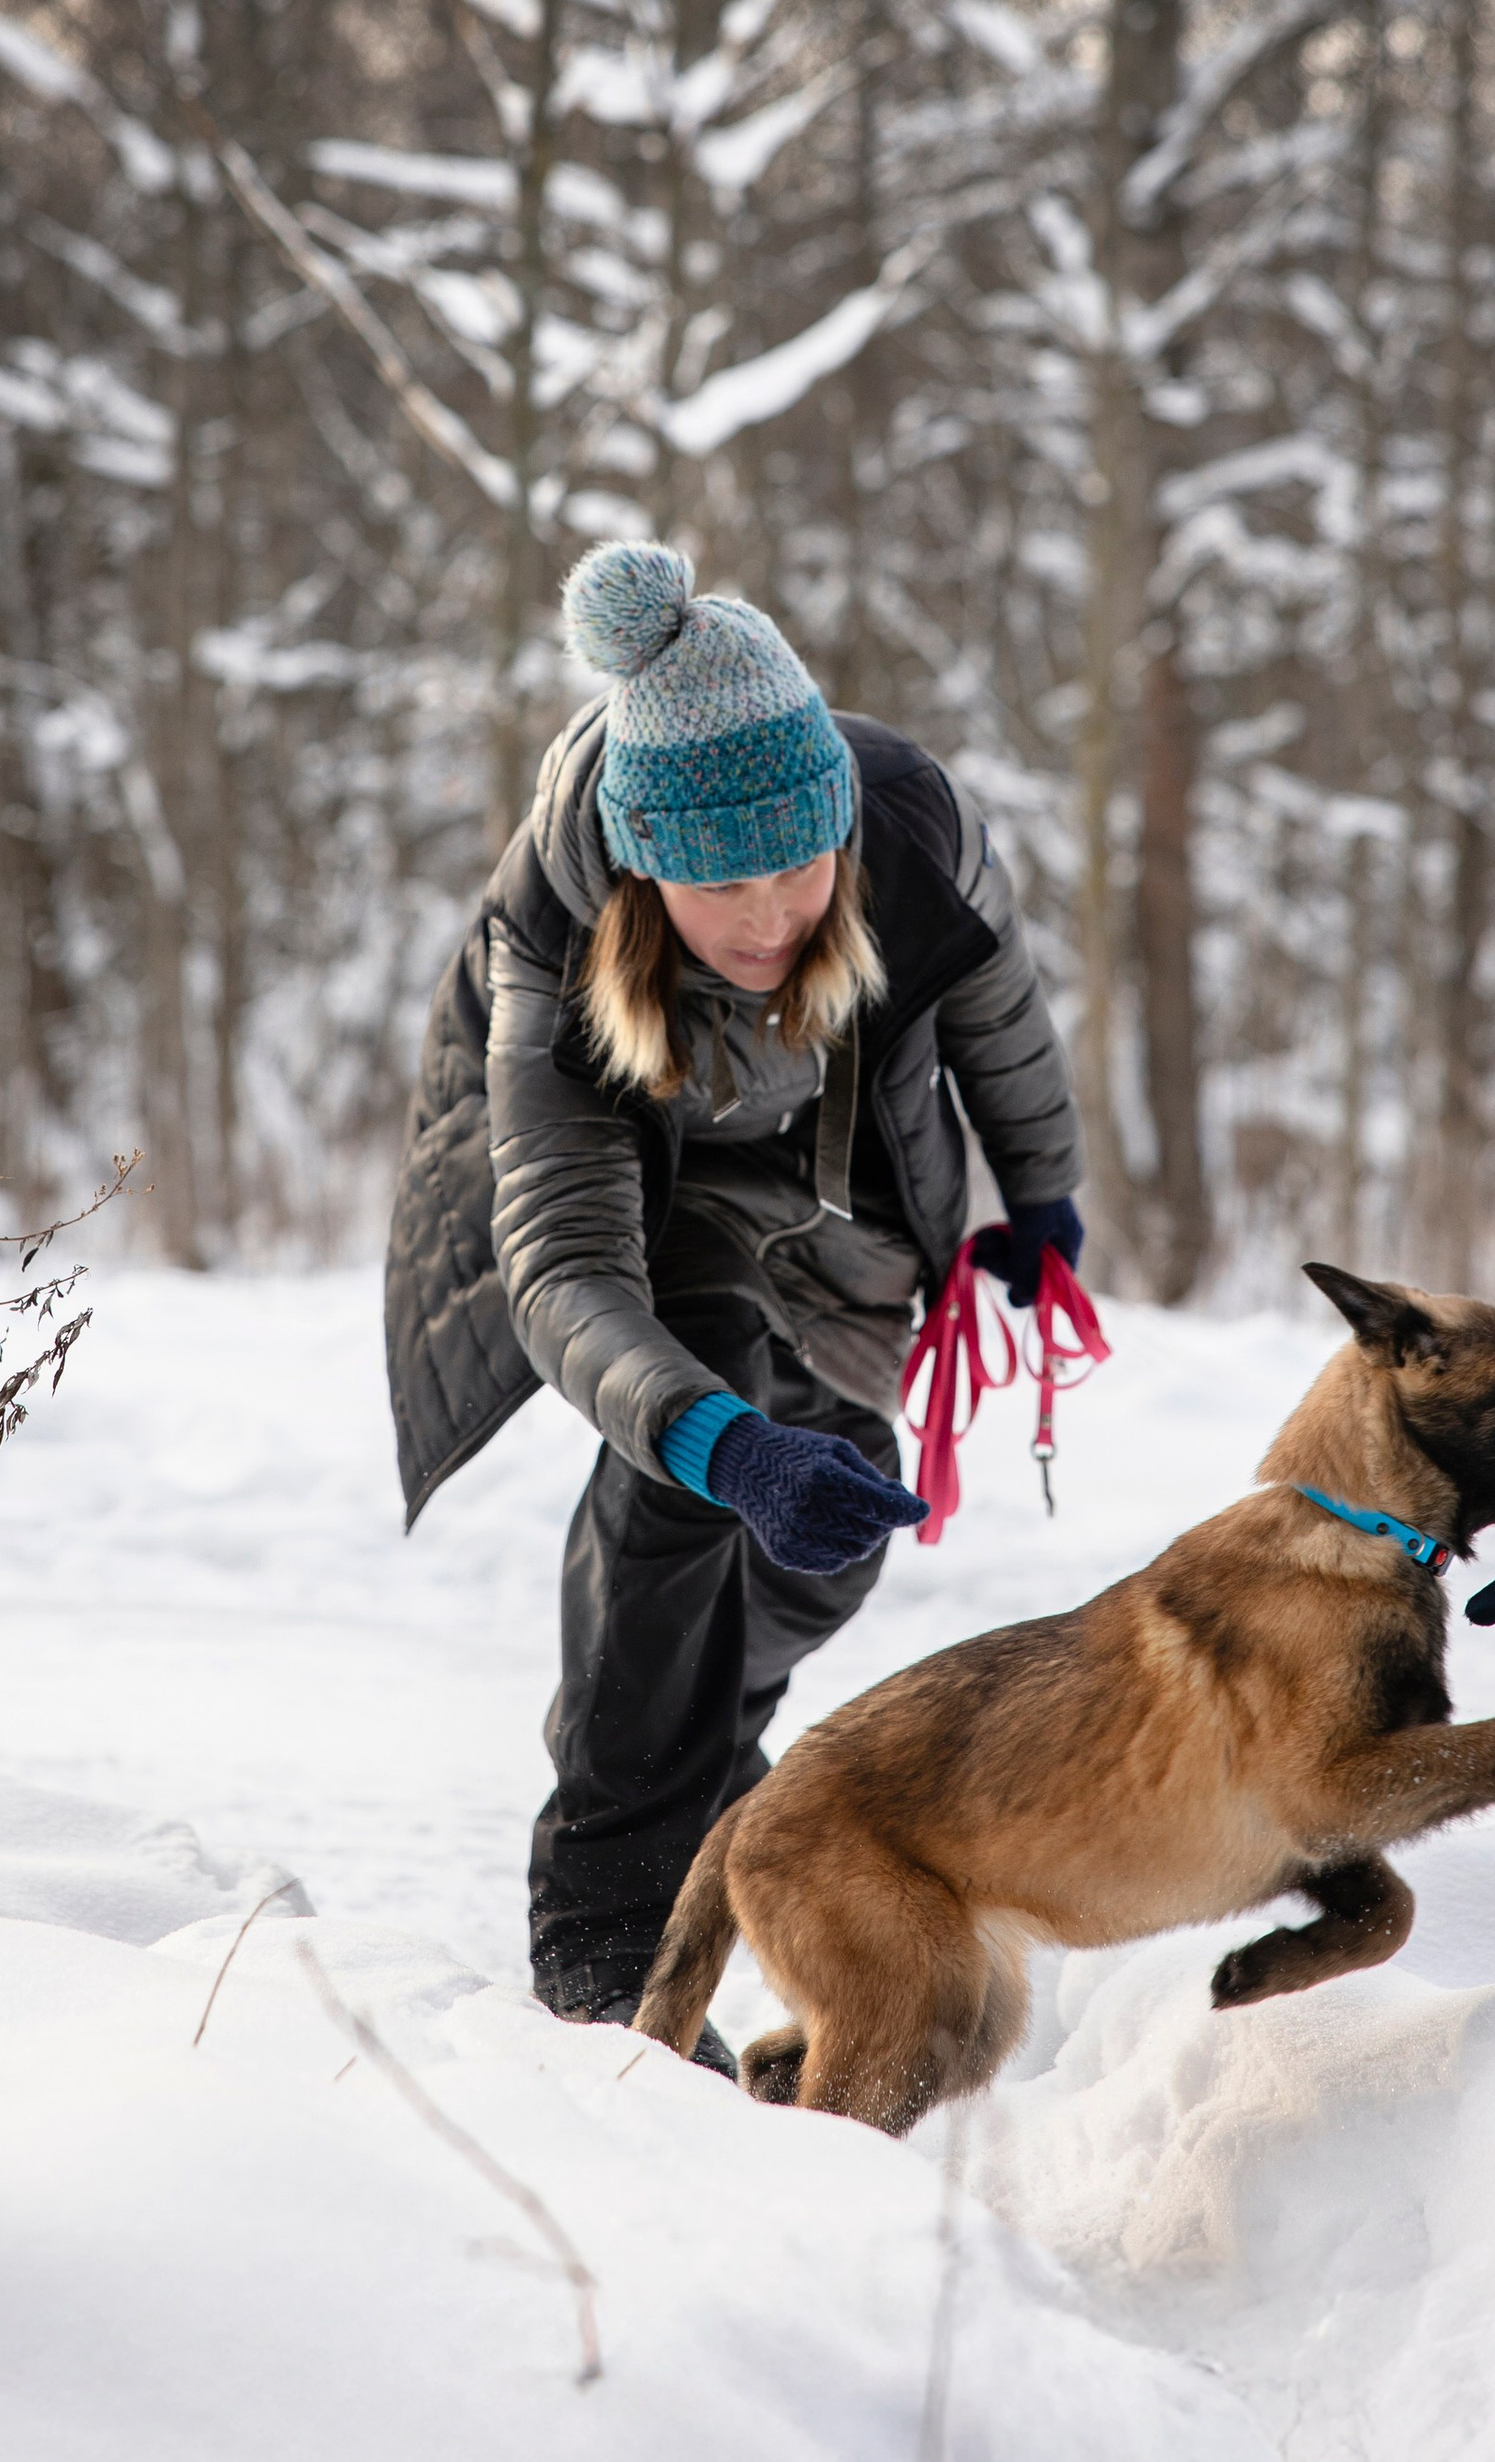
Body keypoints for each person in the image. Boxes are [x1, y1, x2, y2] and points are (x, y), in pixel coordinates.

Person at [384, 539, 1084, 2057]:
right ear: (647, 869)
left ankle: (704, 1740)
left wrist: (1041, 1192)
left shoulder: (909, 828)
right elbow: (562, 1264)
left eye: (793, 864)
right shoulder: (556, 938)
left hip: (840, 1200)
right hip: (647, 1206)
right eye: (717, 881)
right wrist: (717, 1443)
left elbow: (1000, 1015)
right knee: (690, 1483)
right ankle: (608, 1944)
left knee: (829, 1542)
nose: (767, 913)